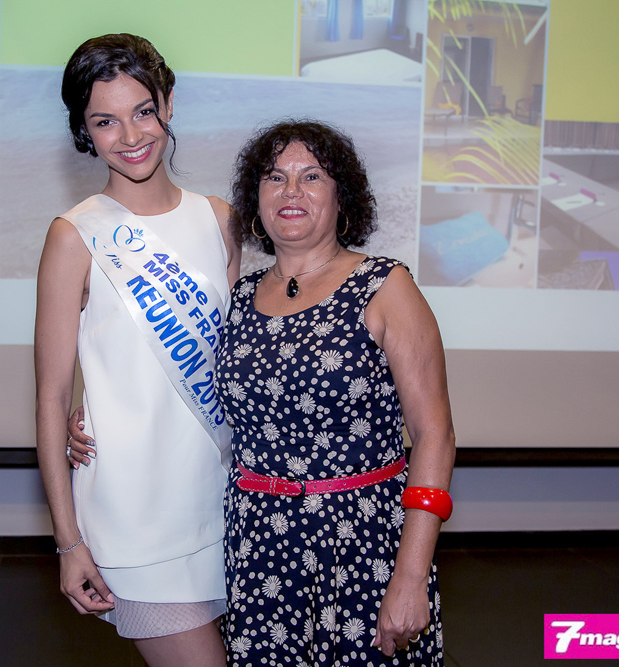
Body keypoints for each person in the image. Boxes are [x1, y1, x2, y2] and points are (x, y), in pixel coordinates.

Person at [215, 120, 456, 666]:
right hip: (258, 549)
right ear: (255, 199)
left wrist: (412, 575)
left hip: (362, 545)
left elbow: (434, 434)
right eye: (274, 177)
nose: (290, 191)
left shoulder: (385, 287)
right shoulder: (239, 296)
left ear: (341, 197)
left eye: (311, 176)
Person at [34, 33, 240, 667]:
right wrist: (69, 543)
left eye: (143, 111)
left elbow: (236, 364)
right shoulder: (75, 236)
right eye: (105, 121)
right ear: (84, 130)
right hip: (131, 515)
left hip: (224, 503)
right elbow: (50, 398)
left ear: (168, 104)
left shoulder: (221, 220)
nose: (130, 136)